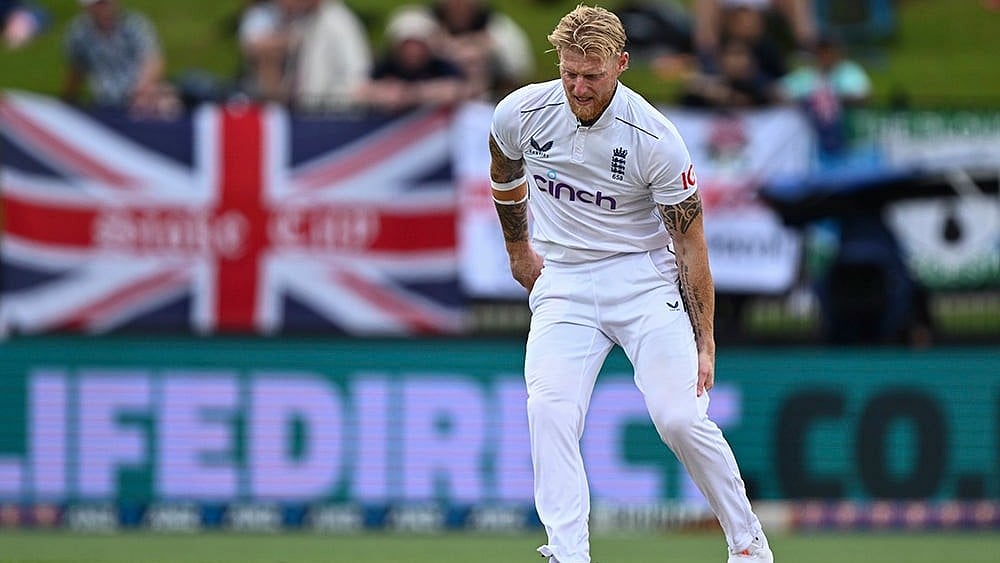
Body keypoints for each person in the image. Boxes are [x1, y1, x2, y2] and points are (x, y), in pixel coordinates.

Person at [488, 5, 773, 563]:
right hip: (565, 279)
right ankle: (569, 552)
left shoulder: (654, 138)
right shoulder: (521, 112)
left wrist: (706, 338)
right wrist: (519, 249)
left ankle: (747, 544)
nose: (578, 87)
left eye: (592, 76)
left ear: (620, 64)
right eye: (569, 73)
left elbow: (690, 243)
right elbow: (503, 167)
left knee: (680, 418)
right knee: (548, 410)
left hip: (642, 280)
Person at [62, 0, 178, 117]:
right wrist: (68, 100)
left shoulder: (135, 24)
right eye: (99, 4)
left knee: (166, 103)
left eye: (105, 3)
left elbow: (153, 59)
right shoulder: (78, 33)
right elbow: (77, 69)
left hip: (140, 95)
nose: (103, 7)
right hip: (106, 100)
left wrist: (140, 90)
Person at [357, 7, 468, 113]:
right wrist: (382, 92)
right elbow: (360, 91)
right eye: (407, 45)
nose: (412, 51)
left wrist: (412, 94)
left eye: (417, 45)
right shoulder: (386, 66)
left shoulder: (441, 65)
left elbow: (458, 90)